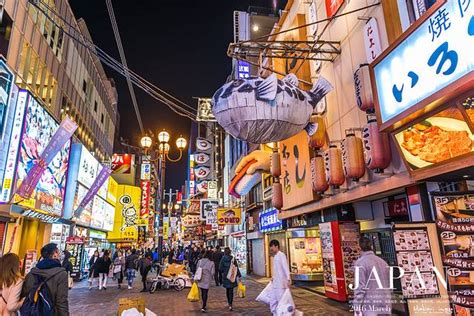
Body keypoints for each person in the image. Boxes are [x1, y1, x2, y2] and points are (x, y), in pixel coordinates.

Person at [21, 243, 69, 315]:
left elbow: (25, 294)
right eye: (58, 252)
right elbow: (61, 302)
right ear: (54, 254)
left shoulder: (33, 272)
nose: (60, 255)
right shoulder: (61, 274)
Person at [352, 237, 392, 316]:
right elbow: (389, 285)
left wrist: (357, 307)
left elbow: (360, 287)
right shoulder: (383, 262)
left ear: (359, 247)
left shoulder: (360, 263)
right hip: (385, 303)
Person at [269, 239, 291, 315]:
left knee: (281, 302)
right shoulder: (275, 256)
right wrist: (273, 277)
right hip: (275, 284)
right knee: (272, 302)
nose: (271, 249)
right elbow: (276, 270)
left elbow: (285, 267)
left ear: (276, 246)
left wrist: (288, 279)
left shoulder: (282, 255)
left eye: (272, 247)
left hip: (281, 284)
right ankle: (276, 314)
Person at [219, 247, 241, 311]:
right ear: (230, 252)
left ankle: (229, 303)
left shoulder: (223, 258)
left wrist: (224, 271)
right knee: (231, 290)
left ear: (225, 252)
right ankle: (230, 304)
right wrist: (239, 275)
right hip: (232, 276)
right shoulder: (233, 258)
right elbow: (236, 267)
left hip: (226, 276)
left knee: (227, 290)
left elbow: (220, 268)